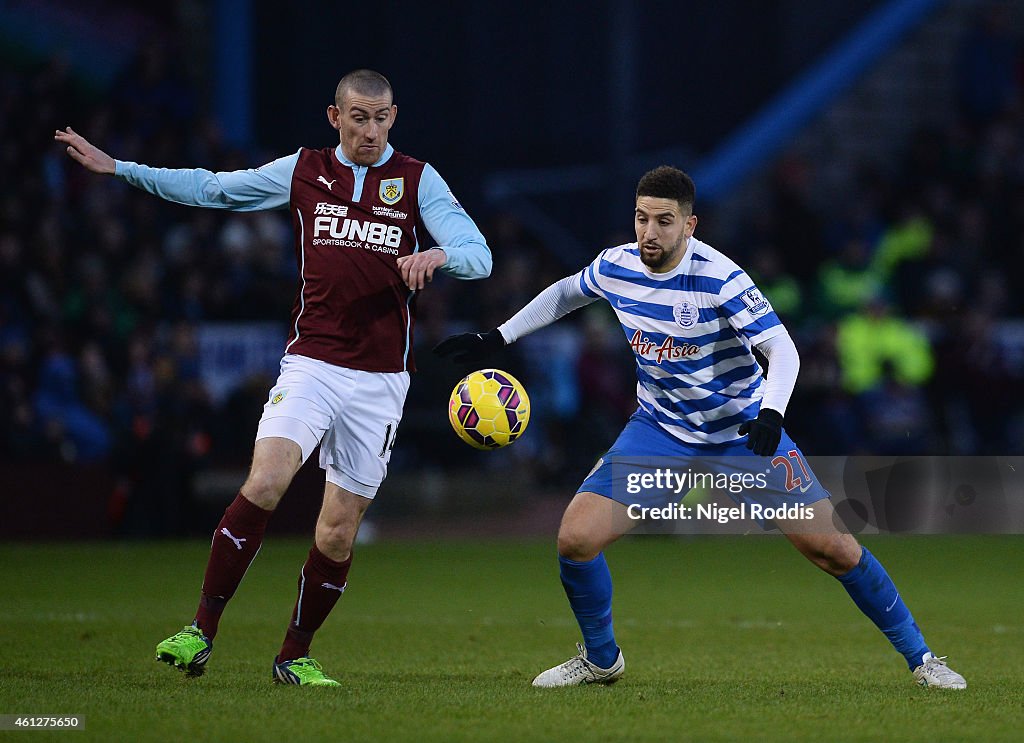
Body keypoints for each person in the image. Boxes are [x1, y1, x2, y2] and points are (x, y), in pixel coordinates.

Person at [434, 166, 966, 690]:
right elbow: (566, 293)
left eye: (664, 221)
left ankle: (922, 659)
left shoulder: (721, 278)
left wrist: (771, 412)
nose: (649, 232)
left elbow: (781, 348)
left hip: (742, 435)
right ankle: (602, 660)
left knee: (835, 551)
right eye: (641, 219)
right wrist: (498, 338)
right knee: (575, 539)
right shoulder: (617, 266)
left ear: (690, 225)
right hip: (659, 434)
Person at [56, 69, 492, 686]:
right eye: (359, 117)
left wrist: (440, 253)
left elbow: (480, 254)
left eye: (382, 117)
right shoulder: (304, 170)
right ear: (334, 116)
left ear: (395, 117)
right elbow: (212, 189)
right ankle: (200, 632)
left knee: (337, 531)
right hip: (312, 361)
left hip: (380, 380)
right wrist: (121, 167)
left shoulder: (418, 180)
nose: (371, 130)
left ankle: (294, 655)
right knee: (265, 481)